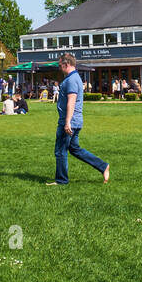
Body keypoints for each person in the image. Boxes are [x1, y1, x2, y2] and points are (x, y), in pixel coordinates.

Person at [46, 53, 109, 187]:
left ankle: (61, 180)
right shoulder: (74, 78)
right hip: (75, 121)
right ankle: (103, 166)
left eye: (60, 65)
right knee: (75, 149)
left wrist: (67, 122)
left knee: (60, 150)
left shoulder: (72, 80)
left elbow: (71, 101)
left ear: (66, 64)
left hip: (69, 122)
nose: (59, 68)